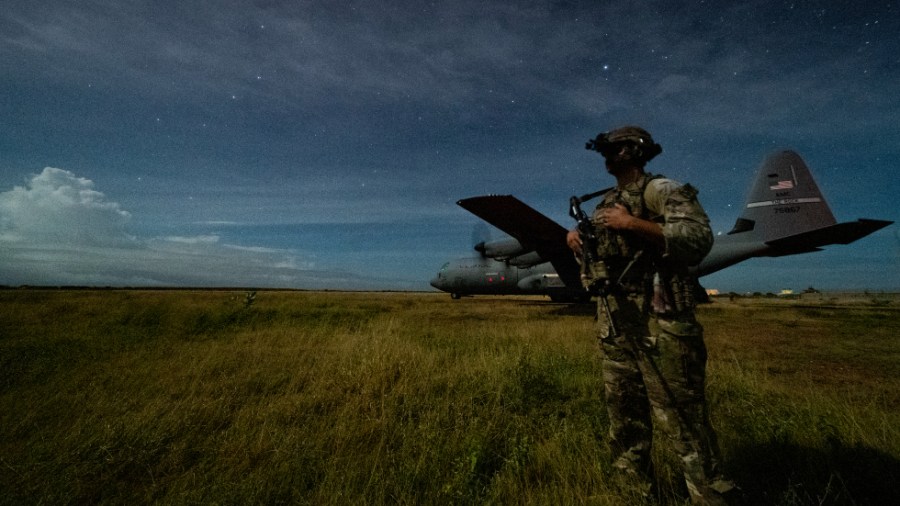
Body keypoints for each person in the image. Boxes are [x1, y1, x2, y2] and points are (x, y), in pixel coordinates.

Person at [567, 126, 735, 505]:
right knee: (625, 423)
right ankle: (632, 494)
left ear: (631, 151)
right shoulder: (603, 204)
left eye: (613, 149)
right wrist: (576, 243)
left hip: (663, 328)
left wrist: (634, 224)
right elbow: (599, 265)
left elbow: (698, 239)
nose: (606, 156)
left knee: (684, 424)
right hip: (617, 327)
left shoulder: (662, 190)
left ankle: (710, 496)